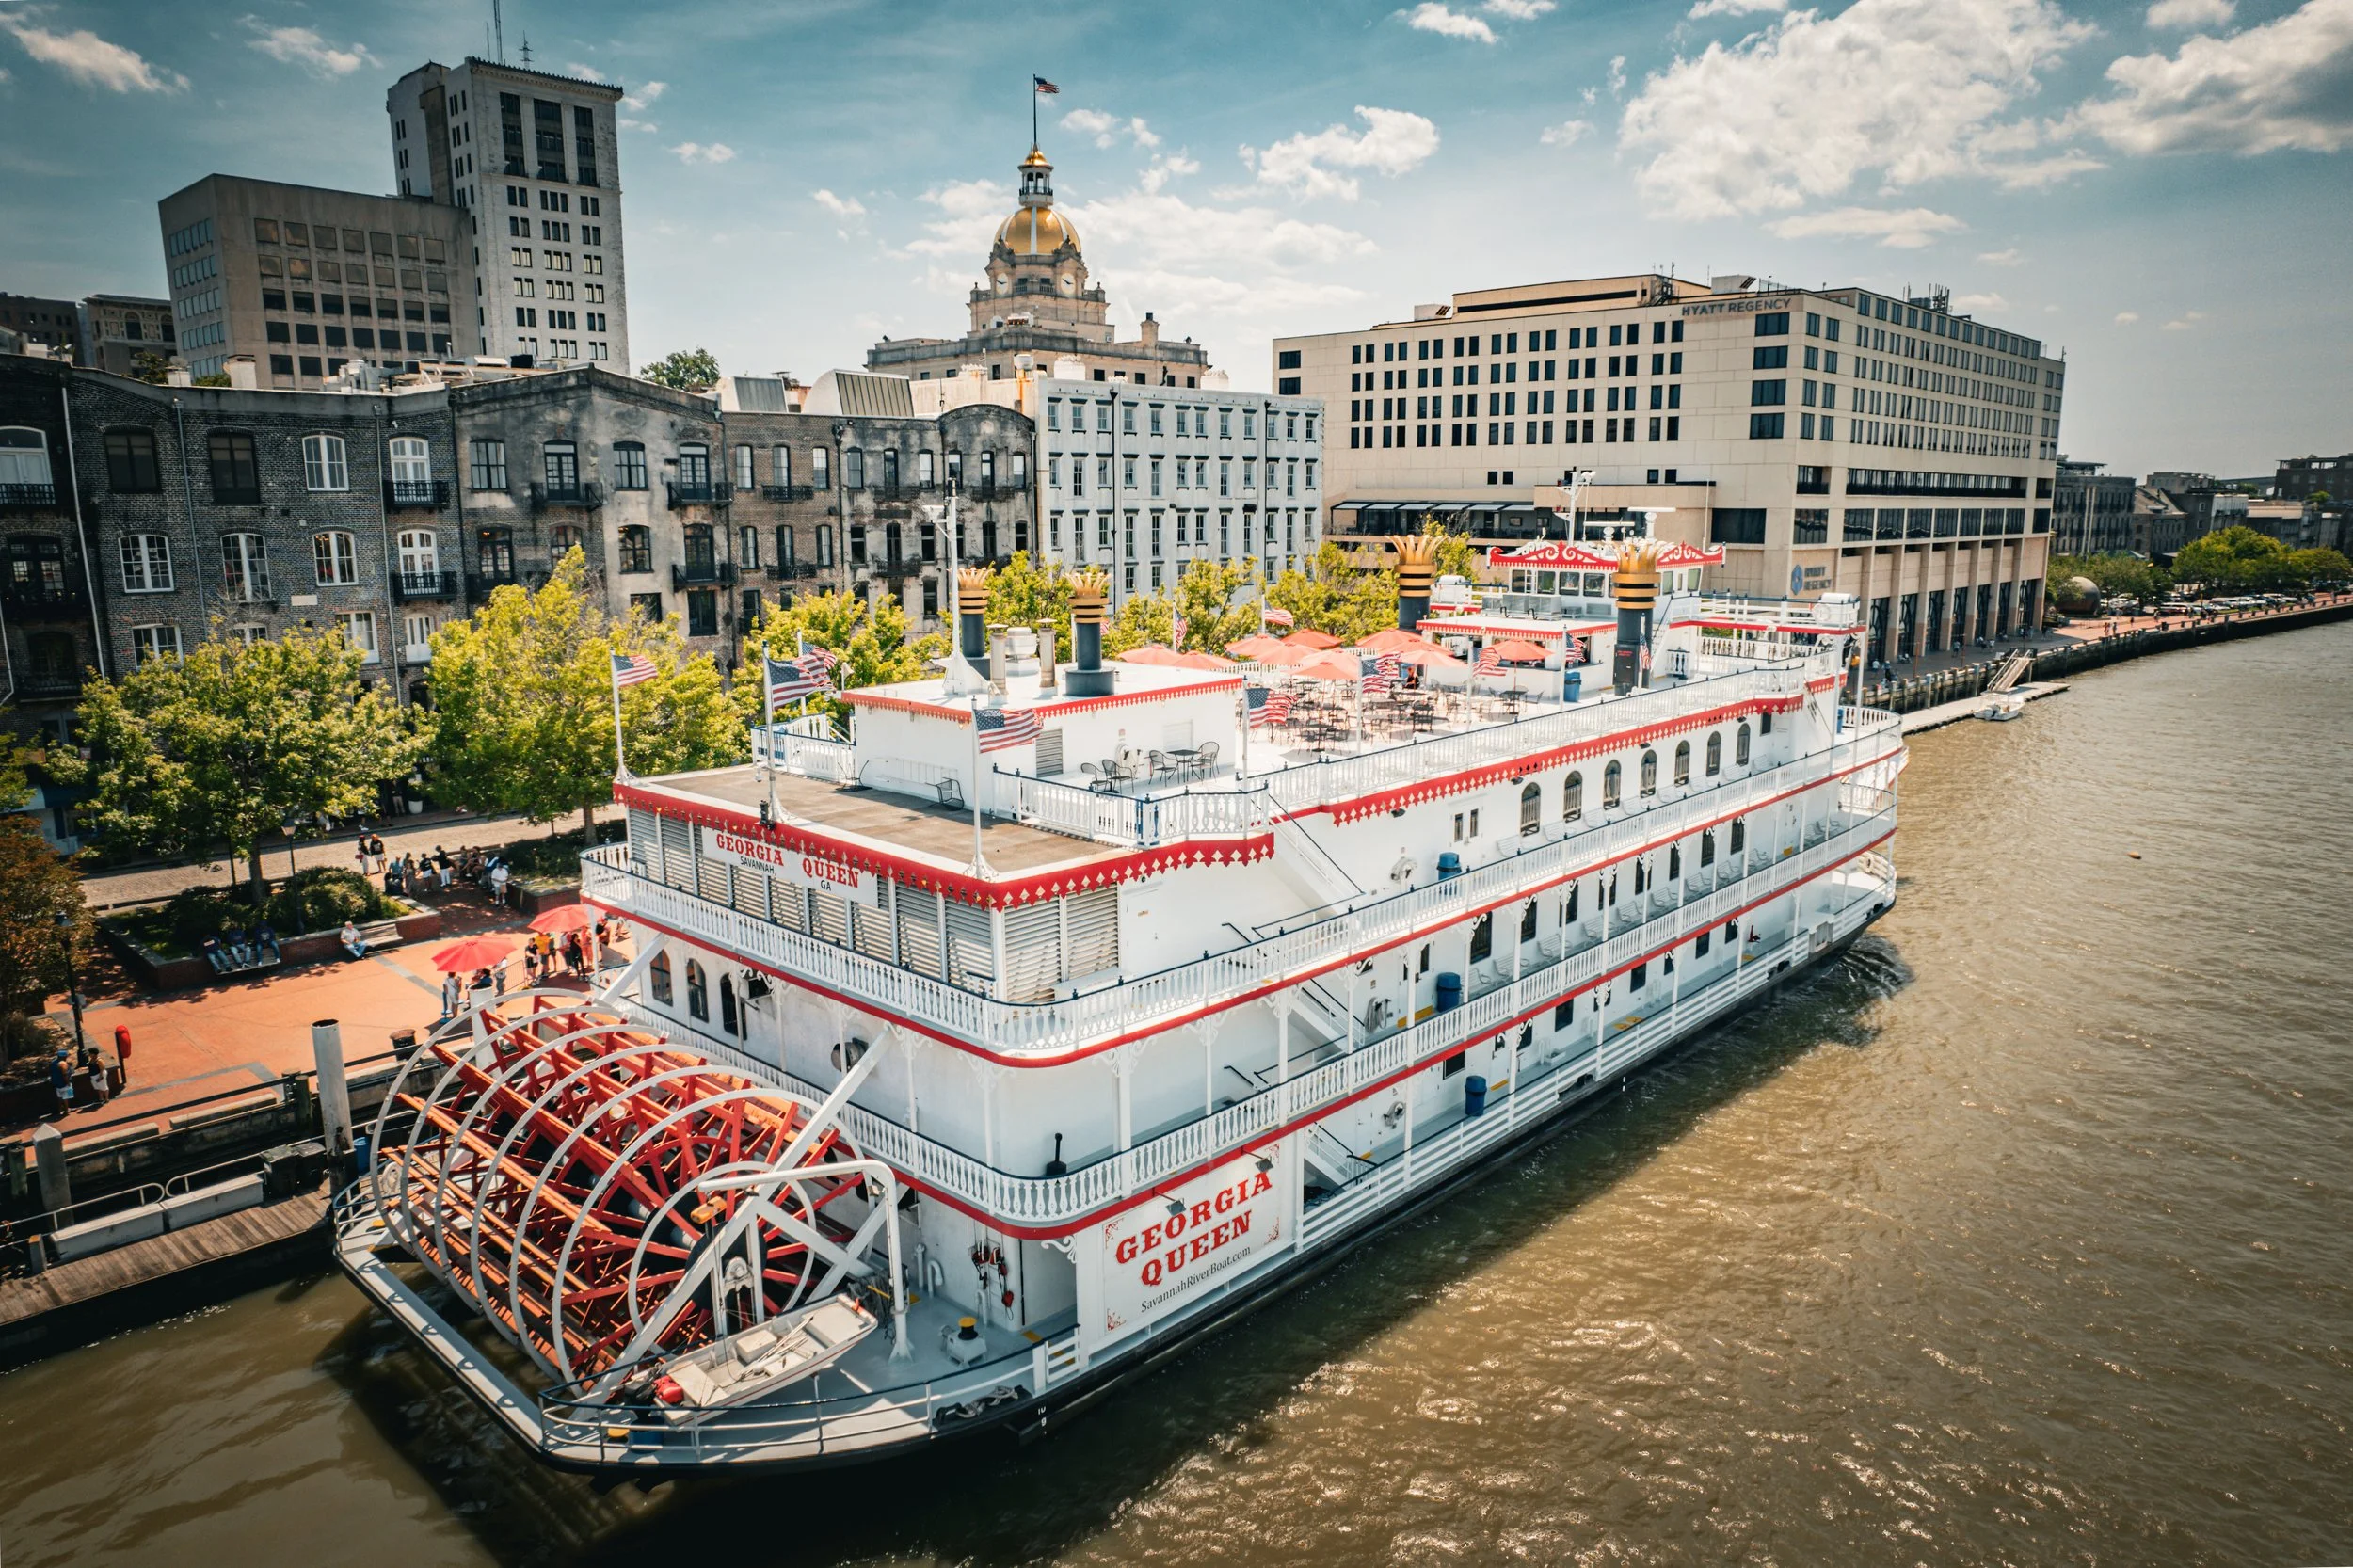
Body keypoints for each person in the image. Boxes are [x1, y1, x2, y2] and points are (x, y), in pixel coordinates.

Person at [50, 1048, 73, 1116]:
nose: (66, 1057)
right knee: (66, 1097)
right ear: (63, 1056)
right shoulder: (63, 1064)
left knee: (60, 1097)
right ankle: (66, 1110)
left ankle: (60, 1109)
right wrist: (68, 1082)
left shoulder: (53, 1063)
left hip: (57, 1084)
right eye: (66, 1056)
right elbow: (64, 1075)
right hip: (64, 1084)